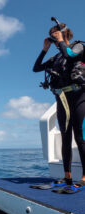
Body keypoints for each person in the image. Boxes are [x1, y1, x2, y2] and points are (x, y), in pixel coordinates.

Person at [32, 23, 85, 193]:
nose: (55, 41)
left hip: (79, 97)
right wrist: (45, 50)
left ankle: (84, 177)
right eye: (53, 38)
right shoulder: (56, 58)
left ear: (64, 34)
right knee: (65, 136)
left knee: (79, 136)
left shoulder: (78, 46)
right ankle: (67, 176)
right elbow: (36, 68)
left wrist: (61, 40)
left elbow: (70, 55)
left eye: (56, 37)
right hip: (62, 99)